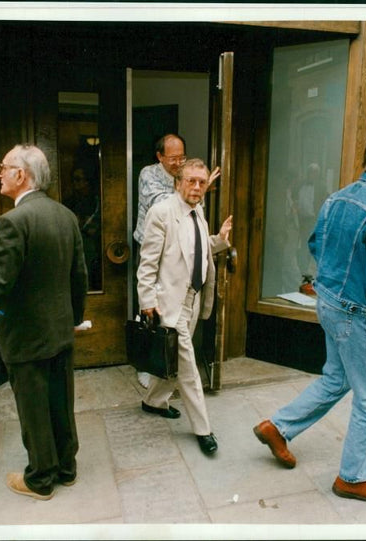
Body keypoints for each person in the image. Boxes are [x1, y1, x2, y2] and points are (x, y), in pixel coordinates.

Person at [252, 126, 366, 503]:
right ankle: (353, 478)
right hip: (358, 314)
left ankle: (277, 427)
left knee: (336, 378)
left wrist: (335, 284)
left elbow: (316, 244)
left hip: (330, 304)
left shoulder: (338, 198)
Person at [0, 144, 88, 501]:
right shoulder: (65, 215)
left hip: (26, 337)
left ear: (21, 174)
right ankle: (66, 468)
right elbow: (79, 277)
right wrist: (73, 320)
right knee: (60, 403)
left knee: (34, 410)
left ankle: (41, 478)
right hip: (59, 332)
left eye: (3, 166)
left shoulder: (13, 221)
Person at [137, 158, 232, 456]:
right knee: (189, 368)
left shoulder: (198, 211)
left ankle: (152, 401)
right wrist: (148, 302)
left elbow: (196, 247)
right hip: (169, 304)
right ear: (177, 183)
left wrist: (218, 241)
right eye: (190, 181)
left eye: (201, 182)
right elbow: (148, 262)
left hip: (191, 300)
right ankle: (204, 429)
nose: (196, 187)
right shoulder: (162, 212)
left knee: (172, 361)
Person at [132, 133, 219, 388]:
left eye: (183, 157)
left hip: (178, 247)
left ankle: (166, 373)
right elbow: (162, 202)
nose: (179, 162)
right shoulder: (149, 174)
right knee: (150, 311)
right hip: (153, 246)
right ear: (160, 157)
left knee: (172, 315)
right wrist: (199, 187)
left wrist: (191, 185)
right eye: (173, 158)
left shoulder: (187, 185)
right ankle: (146, 367)